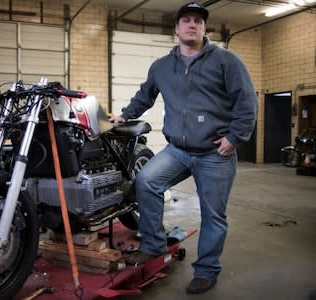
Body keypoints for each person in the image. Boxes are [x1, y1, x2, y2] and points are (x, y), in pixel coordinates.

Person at [110, 1, 257, 294]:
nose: (193, 25)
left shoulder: (227, 61)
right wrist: (124, 114)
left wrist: (234, 137)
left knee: (213, 214)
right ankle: (153, 244)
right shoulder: (162, 66)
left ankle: (206, 270)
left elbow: (247, 103)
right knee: (147, 181)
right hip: (178, 150)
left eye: (199, 21)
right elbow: (145, 96)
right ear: (176, 28)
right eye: (186, 20)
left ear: (204, 28)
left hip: (215, 153)